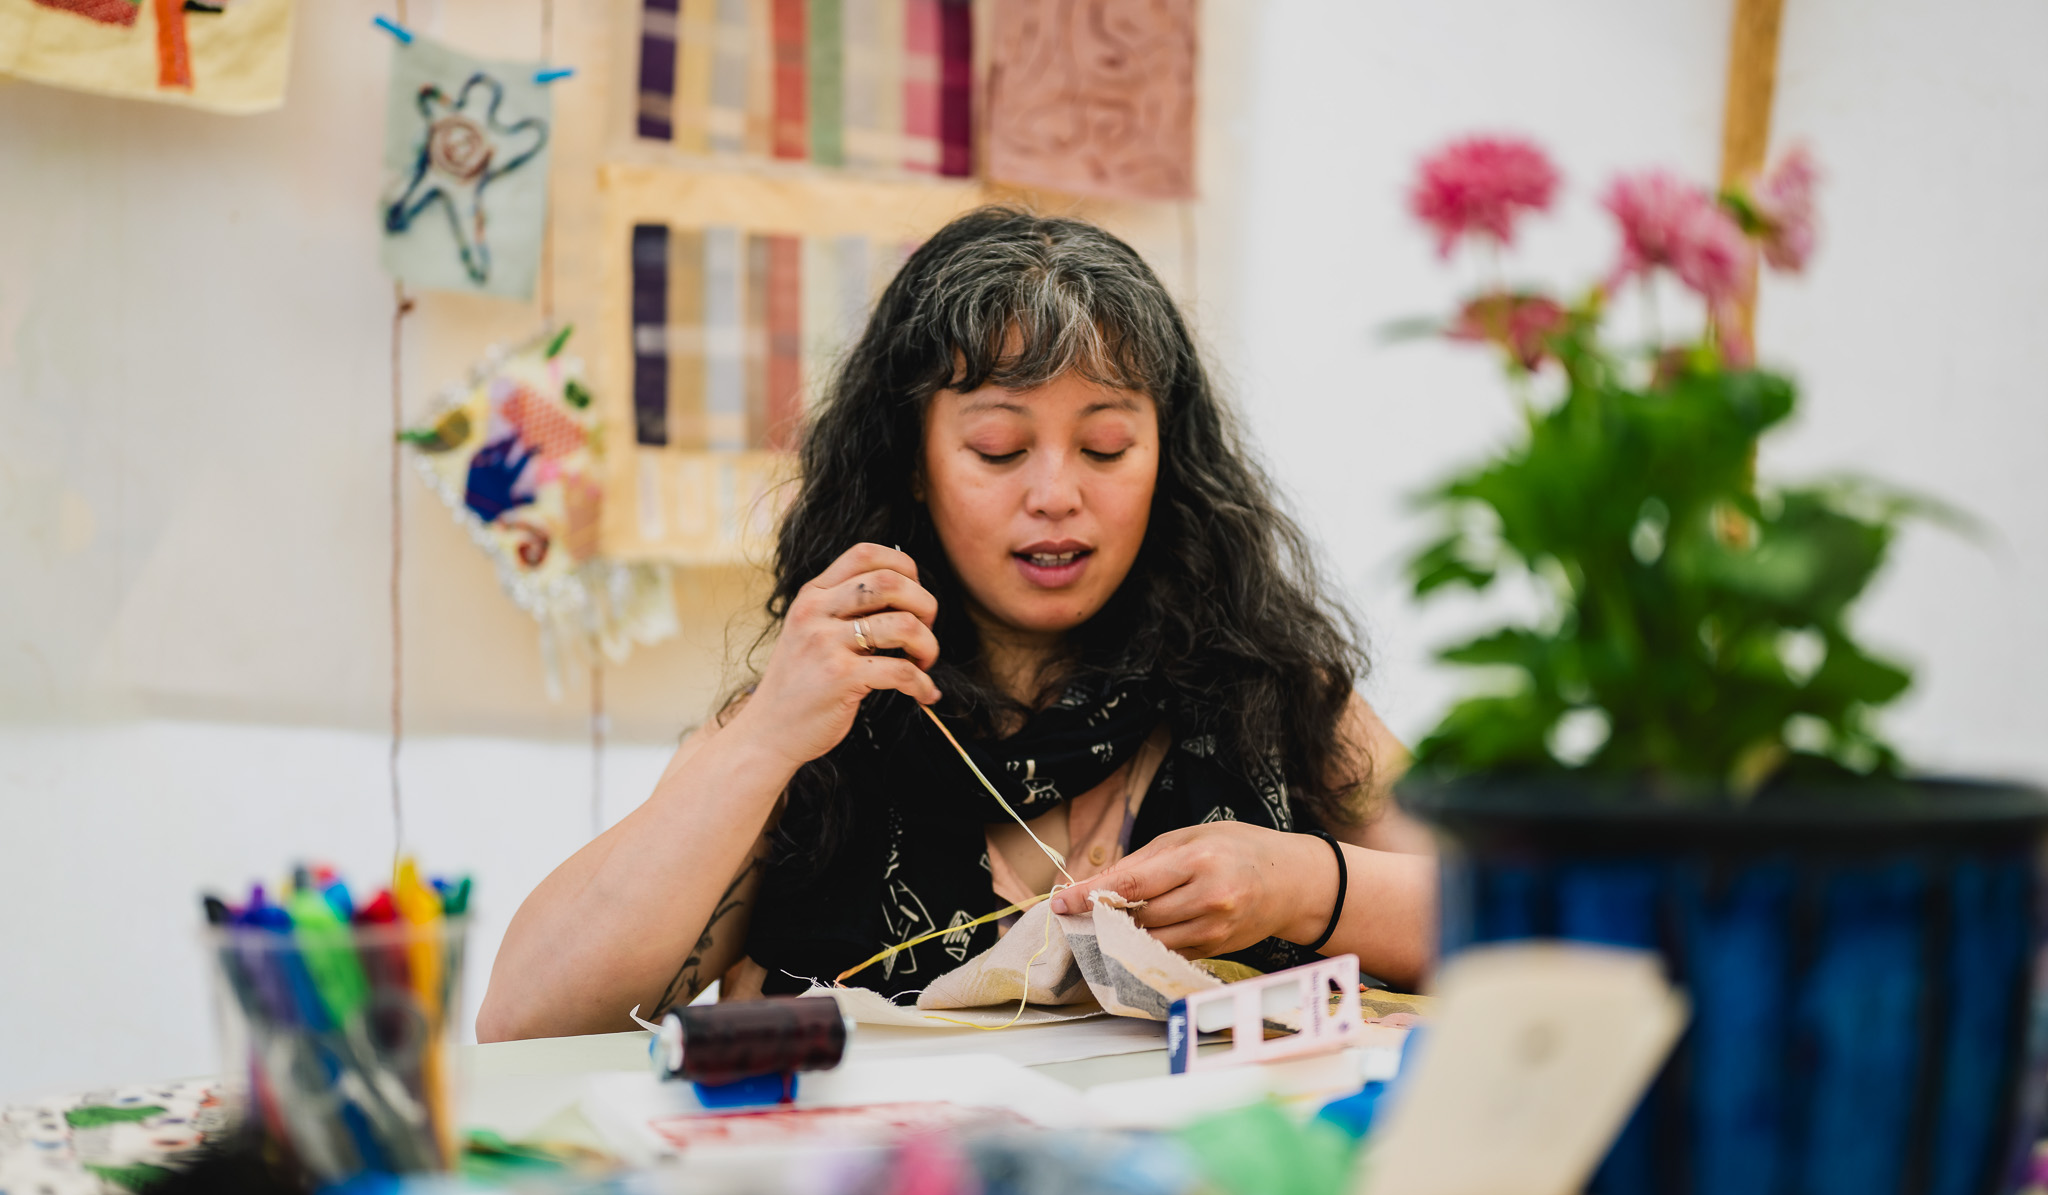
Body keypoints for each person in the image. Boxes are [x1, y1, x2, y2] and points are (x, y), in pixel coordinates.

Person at [477, 207, 1435, 1042]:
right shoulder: (817, 723)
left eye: (1106, 446)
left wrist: (1307, 883)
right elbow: (525, 1019)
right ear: (913, 464)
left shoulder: (1274, 692)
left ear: (1168, 461)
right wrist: (768, 733)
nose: (1056, 495)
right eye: (998, 447)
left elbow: (1526, 925)